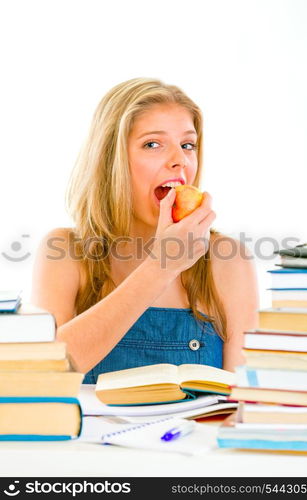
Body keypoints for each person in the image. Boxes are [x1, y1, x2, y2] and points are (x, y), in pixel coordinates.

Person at [31, 77, 259, 382]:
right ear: (112, 161)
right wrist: (160, 267)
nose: (179, 161)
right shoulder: (64, 250)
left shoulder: (228, 260)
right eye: (152, 144)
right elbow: (45, 376)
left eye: (187, 145)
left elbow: (240, 407)